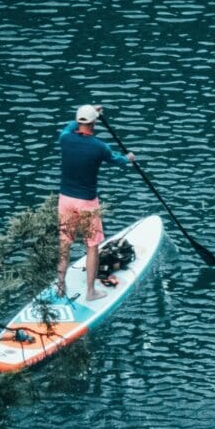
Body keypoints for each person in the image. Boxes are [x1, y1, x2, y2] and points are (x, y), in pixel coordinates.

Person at [57, 104, 136, 300]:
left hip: (65, 199)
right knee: (92, 246)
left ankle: (60, 286)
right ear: (94, 123)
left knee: (64, 243)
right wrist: (129, 158)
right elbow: (117, 160)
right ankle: (90, 293)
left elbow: (71, 125)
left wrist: (89, 112)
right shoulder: (100, 147)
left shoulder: (64, 138)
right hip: (87, 202)